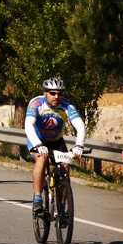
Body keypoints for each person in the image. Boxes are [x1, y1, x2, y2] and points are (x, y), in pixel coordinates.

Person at [25, 78, 85, 214]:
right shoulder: (36, 103)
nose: (56, 97)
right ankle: (38, 199)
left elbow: (80, 126)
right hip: (37, 139)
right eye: (52, 93)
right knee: (41, 159)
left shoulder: (66, 105)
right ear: (44, 93)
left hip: (56, 140)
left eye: (59, 93)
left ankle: (62, 208)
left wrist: (79, 146)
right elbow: (28, 125)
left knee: (65, 166)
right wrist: (38, 145)